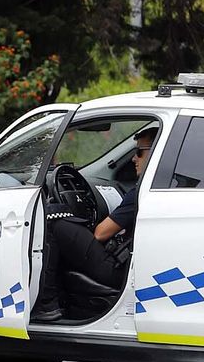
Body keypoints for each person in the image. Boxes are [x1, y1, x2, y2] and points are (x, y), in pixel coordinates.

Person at [32, 127, 156, 322]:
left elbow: (100, 233)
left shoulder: (142, 192)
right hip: (131, 265)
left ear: (154, 154)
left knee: (53, 221)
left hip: (117, 269)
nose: (134, 159)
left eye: (139, 152)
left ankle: (47, 303)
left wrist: (74, 220)